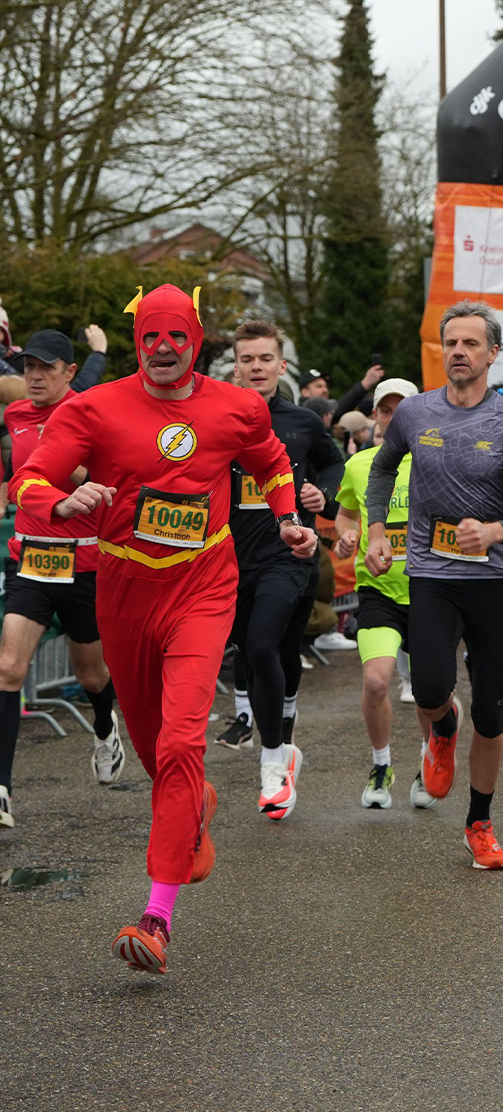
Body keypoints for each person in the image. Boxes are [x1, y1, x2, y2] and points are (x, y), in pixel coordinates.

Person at [12, 284, 316, 973]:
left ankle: (157, 917)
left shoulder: (236, 405)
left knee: (182, 740)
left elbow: (270, 461)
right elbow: (28, 482)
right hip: (123, 590)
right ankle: (192, 806)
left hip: (203, 587)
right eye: (151, 336)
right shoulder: (94, 407)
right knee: (159, 757)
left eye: (177, 336)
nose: (163, 348)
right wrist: (64, 501)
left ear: (196, 340)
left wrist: (287, 518)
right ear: (137, 342)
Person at [362, 301, 503, 870]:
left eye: (471, 343)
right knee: (428, 688)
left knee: (492, 715)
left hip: (493, 578)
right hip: (432, 573)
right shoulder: (415, 413)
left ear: (493, 353)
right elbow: (382, 468)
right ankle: (443, 726)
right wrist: (377, 529)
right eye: (451, 343)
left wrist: (495, 531)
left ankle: (479, 824)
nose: (459, 352)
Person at [216, 321, 344, 821]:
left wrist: (321, 493)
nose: (256, 367)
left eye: (265, 358)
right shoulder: (218, 419)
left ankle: (274, 757)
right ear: (236, 367)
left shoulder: (302, 422)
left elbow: (333, 464)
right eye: (247, 359)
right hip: (229, 559)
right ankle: (283, 743)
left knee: (265, 645)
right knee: (256, 652)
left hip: (288, 555)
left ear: (280, 365)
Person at [0, 329, 125, 828]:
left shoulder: (93, 416)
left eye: (45, 368)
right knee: (8, 668)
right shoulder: (15, 415)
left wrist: (79, 477)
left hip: (85, 563)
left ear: (69, 372)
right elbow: (15, 475)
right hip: (30, 559)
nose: (34, 376)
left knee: (91, 675)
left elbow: (116, 482)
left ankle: (104, 727)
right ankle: (2, 791)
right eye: (28, 366)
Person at [332, 377, 420, 809]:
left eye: (402, 410)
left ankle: (431, 758)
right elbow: (346, 515)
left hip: (430, 590)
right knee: (375, 681)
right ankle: (382, 764)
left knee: (431, 693)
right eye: (386, 410)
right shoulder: (359, 464)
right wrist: (347, 537)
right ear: (375, 416)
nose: (393, 417)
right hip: (377, 589)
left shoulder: (436, 460)